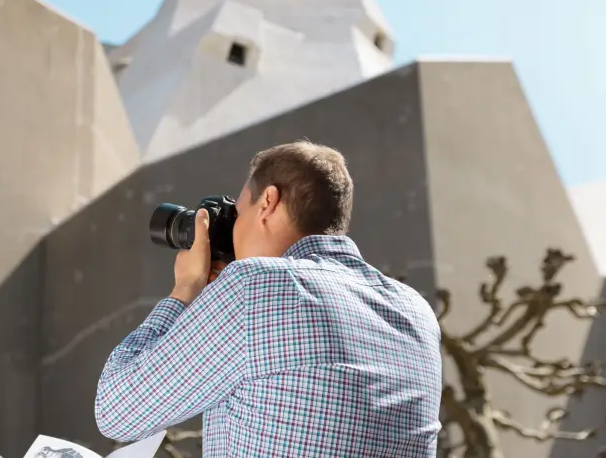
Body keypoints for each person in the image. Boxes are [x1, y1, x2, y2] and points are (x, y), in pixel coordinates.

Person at [94, 142, 442, 457]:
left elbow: (117, 412)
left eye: (238, 213)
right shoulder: (416, 311)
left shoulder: (254, 285)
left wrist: (186, 288)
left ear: (268, 202)